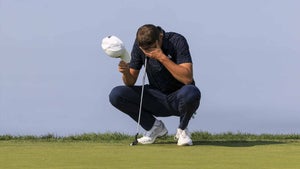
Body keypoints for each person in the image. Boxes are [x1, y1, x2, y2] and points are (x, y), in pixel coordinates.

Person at [109, 24, 201, 146]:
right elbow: (130, 82)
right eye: (144, 50)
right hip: (156, 98)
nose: (148, 53)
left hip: (180, 98)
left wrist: (162, 57)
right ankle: (154, 127)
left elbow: (187, 78)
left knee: (192, 92)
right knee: (116, 95)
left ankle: (182, 131)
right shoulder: (139, 45)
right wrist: (126, 73)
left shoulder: (177, 41)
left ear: (160, 37)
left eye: (151, 49)